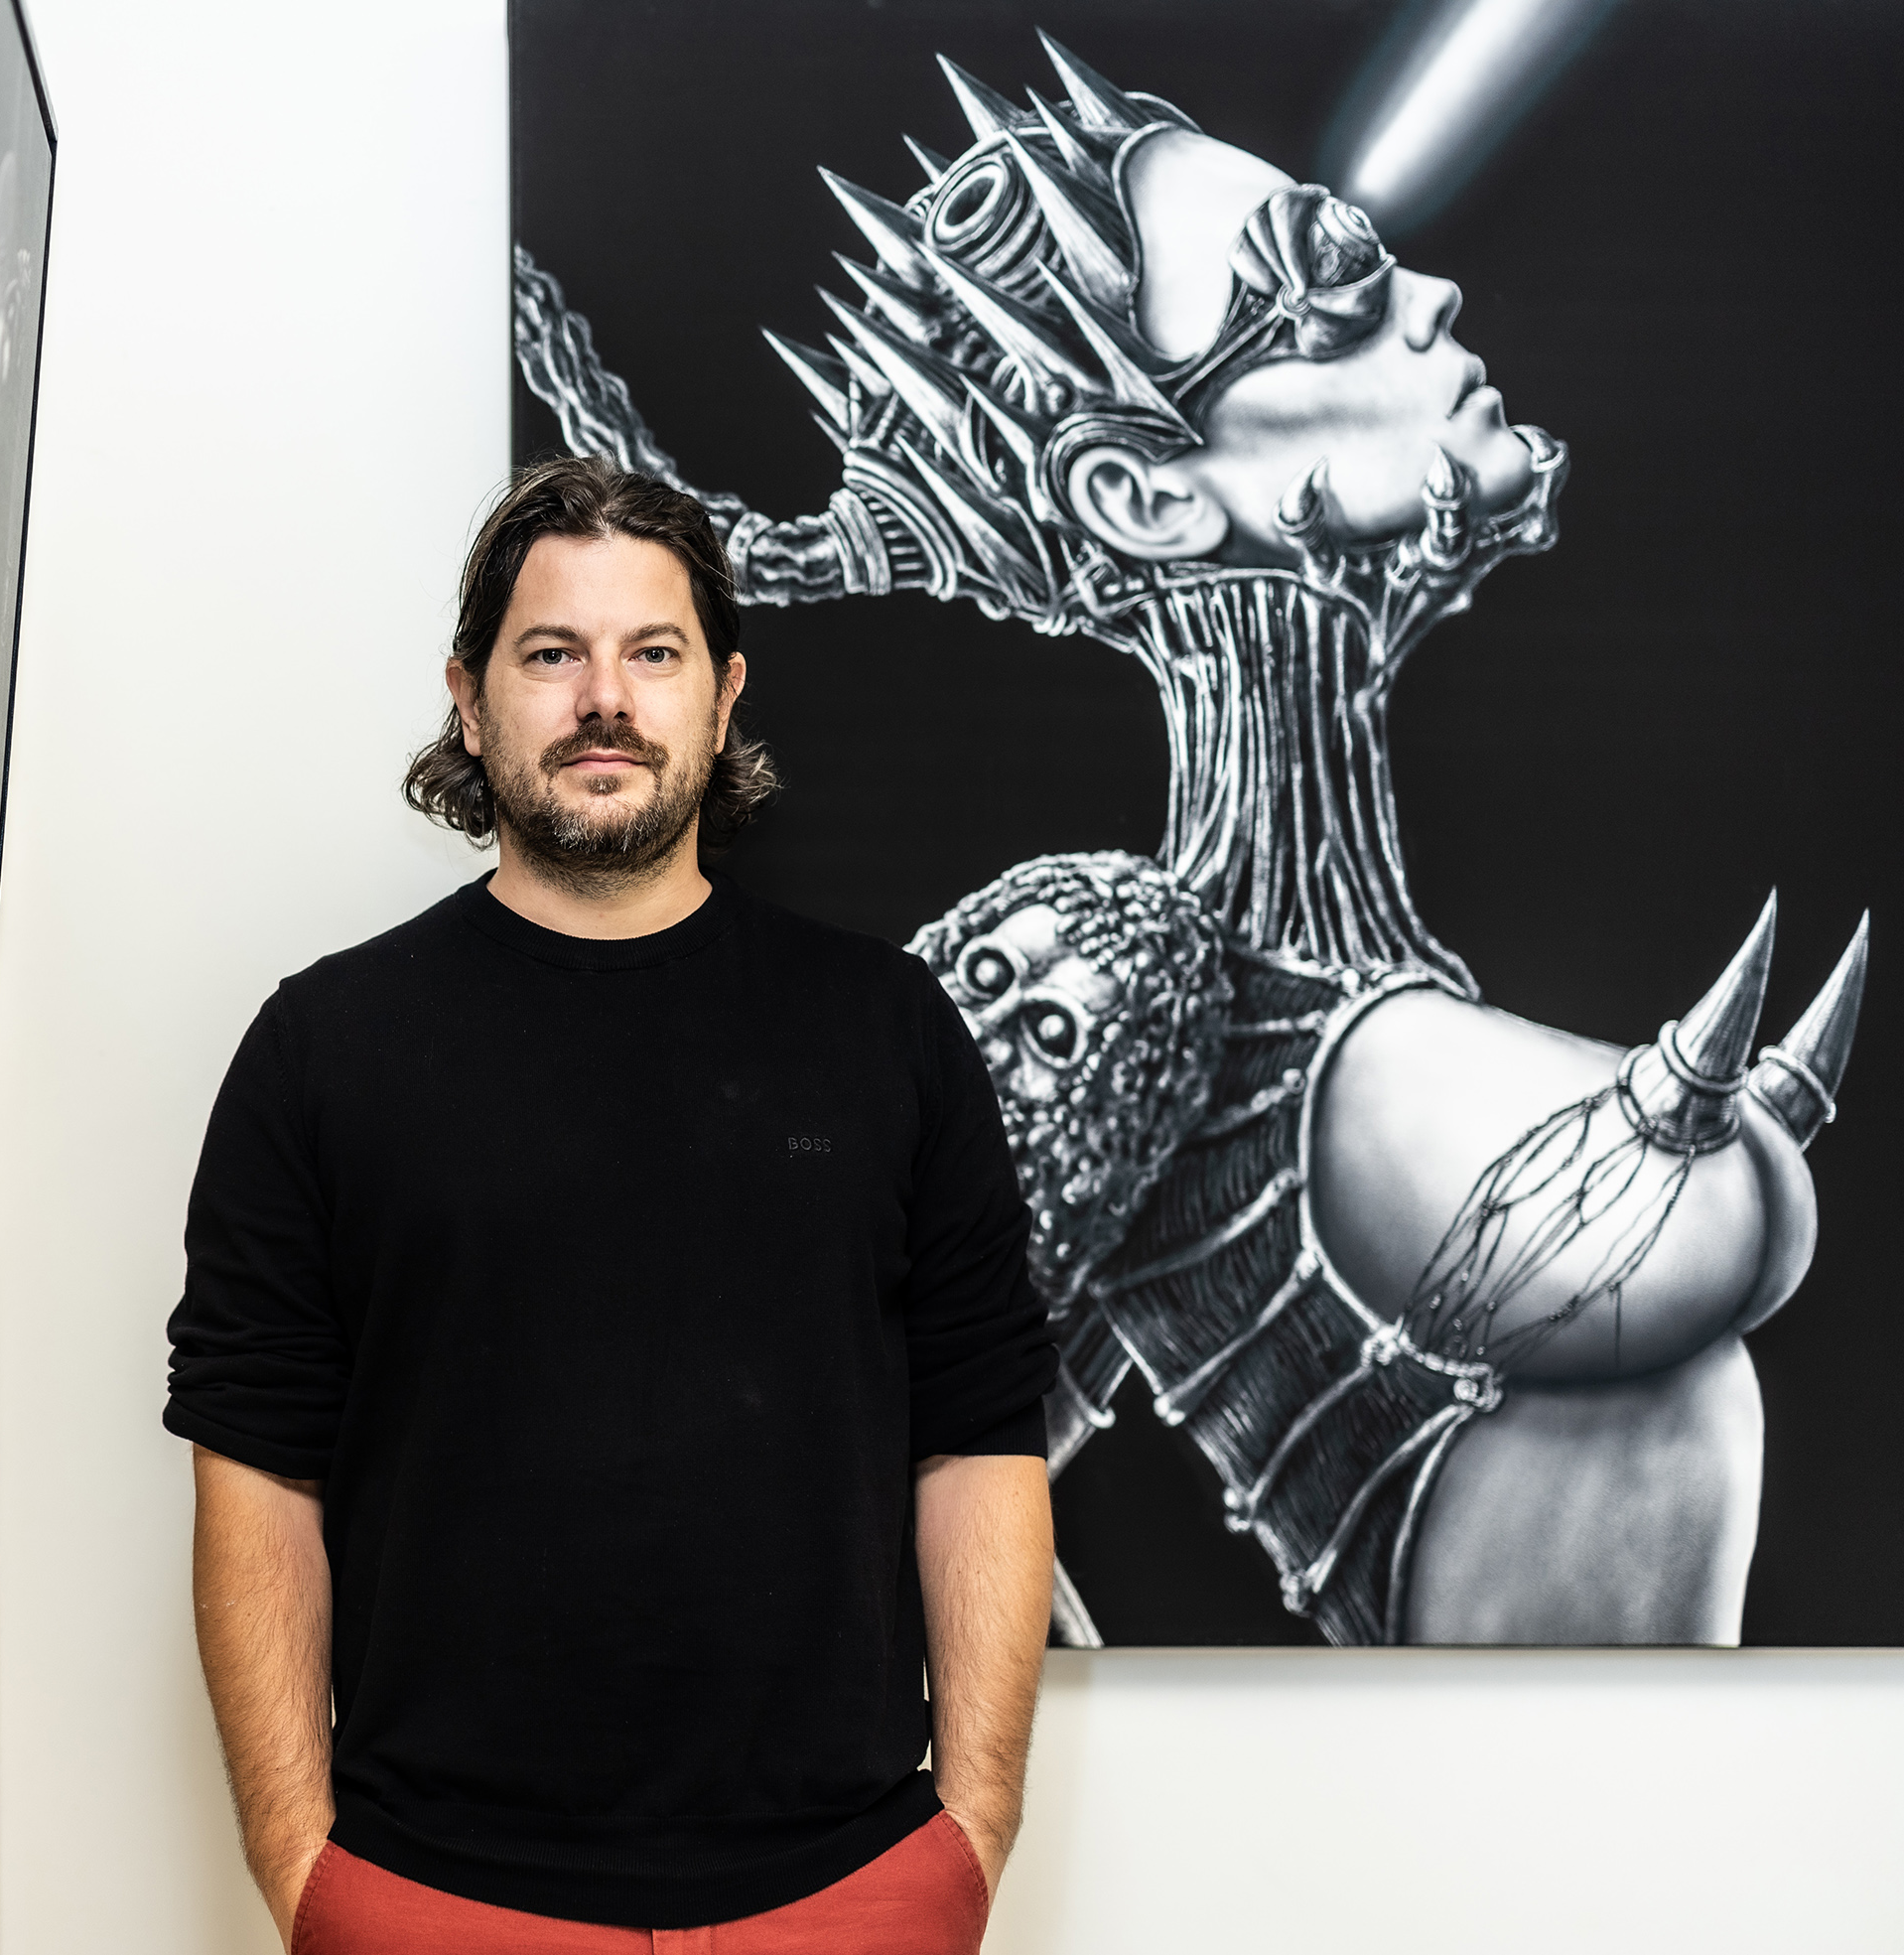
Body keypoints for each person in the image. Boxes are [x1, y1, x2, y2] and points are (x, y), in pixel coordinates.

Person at [510, 32, 1865, 1647]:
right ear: (1144, 497)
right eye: (1331, 288)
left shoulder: (1298, 1038)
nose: (1430, 298)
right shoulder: (1121, 991)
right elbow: (862, 1461)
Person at [163, 456, 1058, 1954]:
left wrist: (968, 1833)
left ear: (722, 695)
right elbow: (254, 1464)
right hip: (433, 1896)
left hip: (845, 1893)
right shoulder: (323, 1050)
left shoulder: (888, 1032)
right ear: (469, 700)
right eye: (549, 654)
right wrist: (300, 1863)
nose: (604, 700)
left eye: (652, 652)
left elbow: (979, 1436)